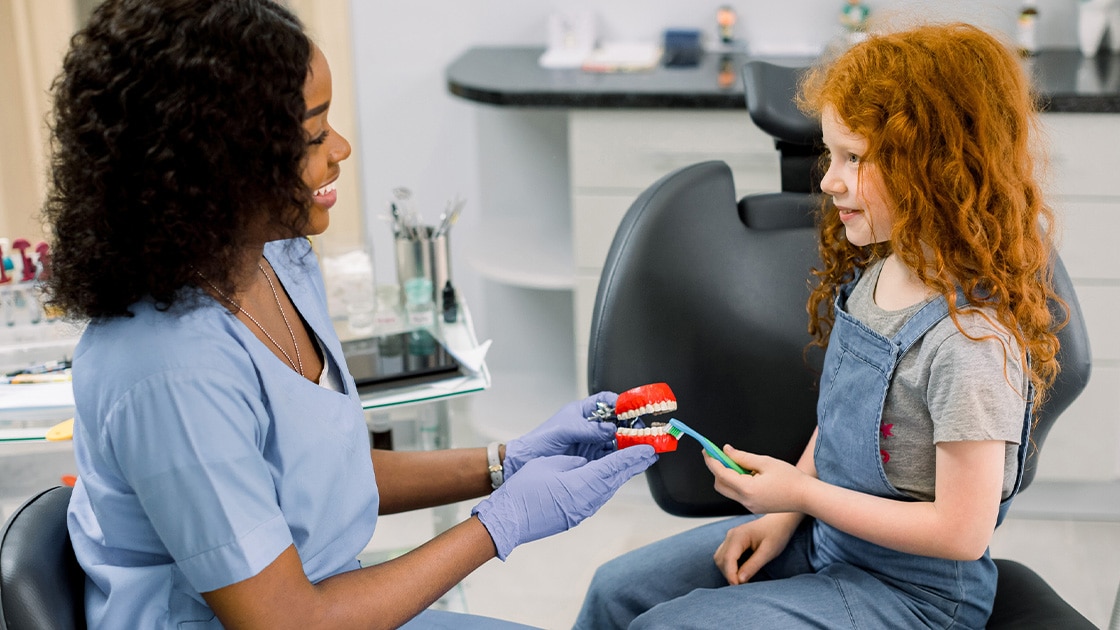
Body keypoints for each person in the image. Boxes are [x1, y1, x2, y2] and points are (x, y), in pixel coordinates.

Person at [42, 1, 656, 628]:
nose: (341, 148)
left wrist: (507, 460)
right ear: (217, 166)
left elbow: (323, 475)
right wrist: (502, 523)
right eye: (313, 135)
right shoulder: (169, 371)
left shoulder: (275, 259)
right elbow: (287, 621)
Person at [575, 22, 1062, 630]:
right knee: (615, 592)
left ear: (934, 167)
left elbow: (961, 533)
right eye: (832, 154)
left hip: (914, 597)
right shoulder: (880, 277)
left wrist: (799, 497)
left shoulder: (971, 344)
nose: (828, 179)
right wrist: (783, 518)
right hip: (825, 541)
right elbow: (839, 425)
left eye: (853, 157)